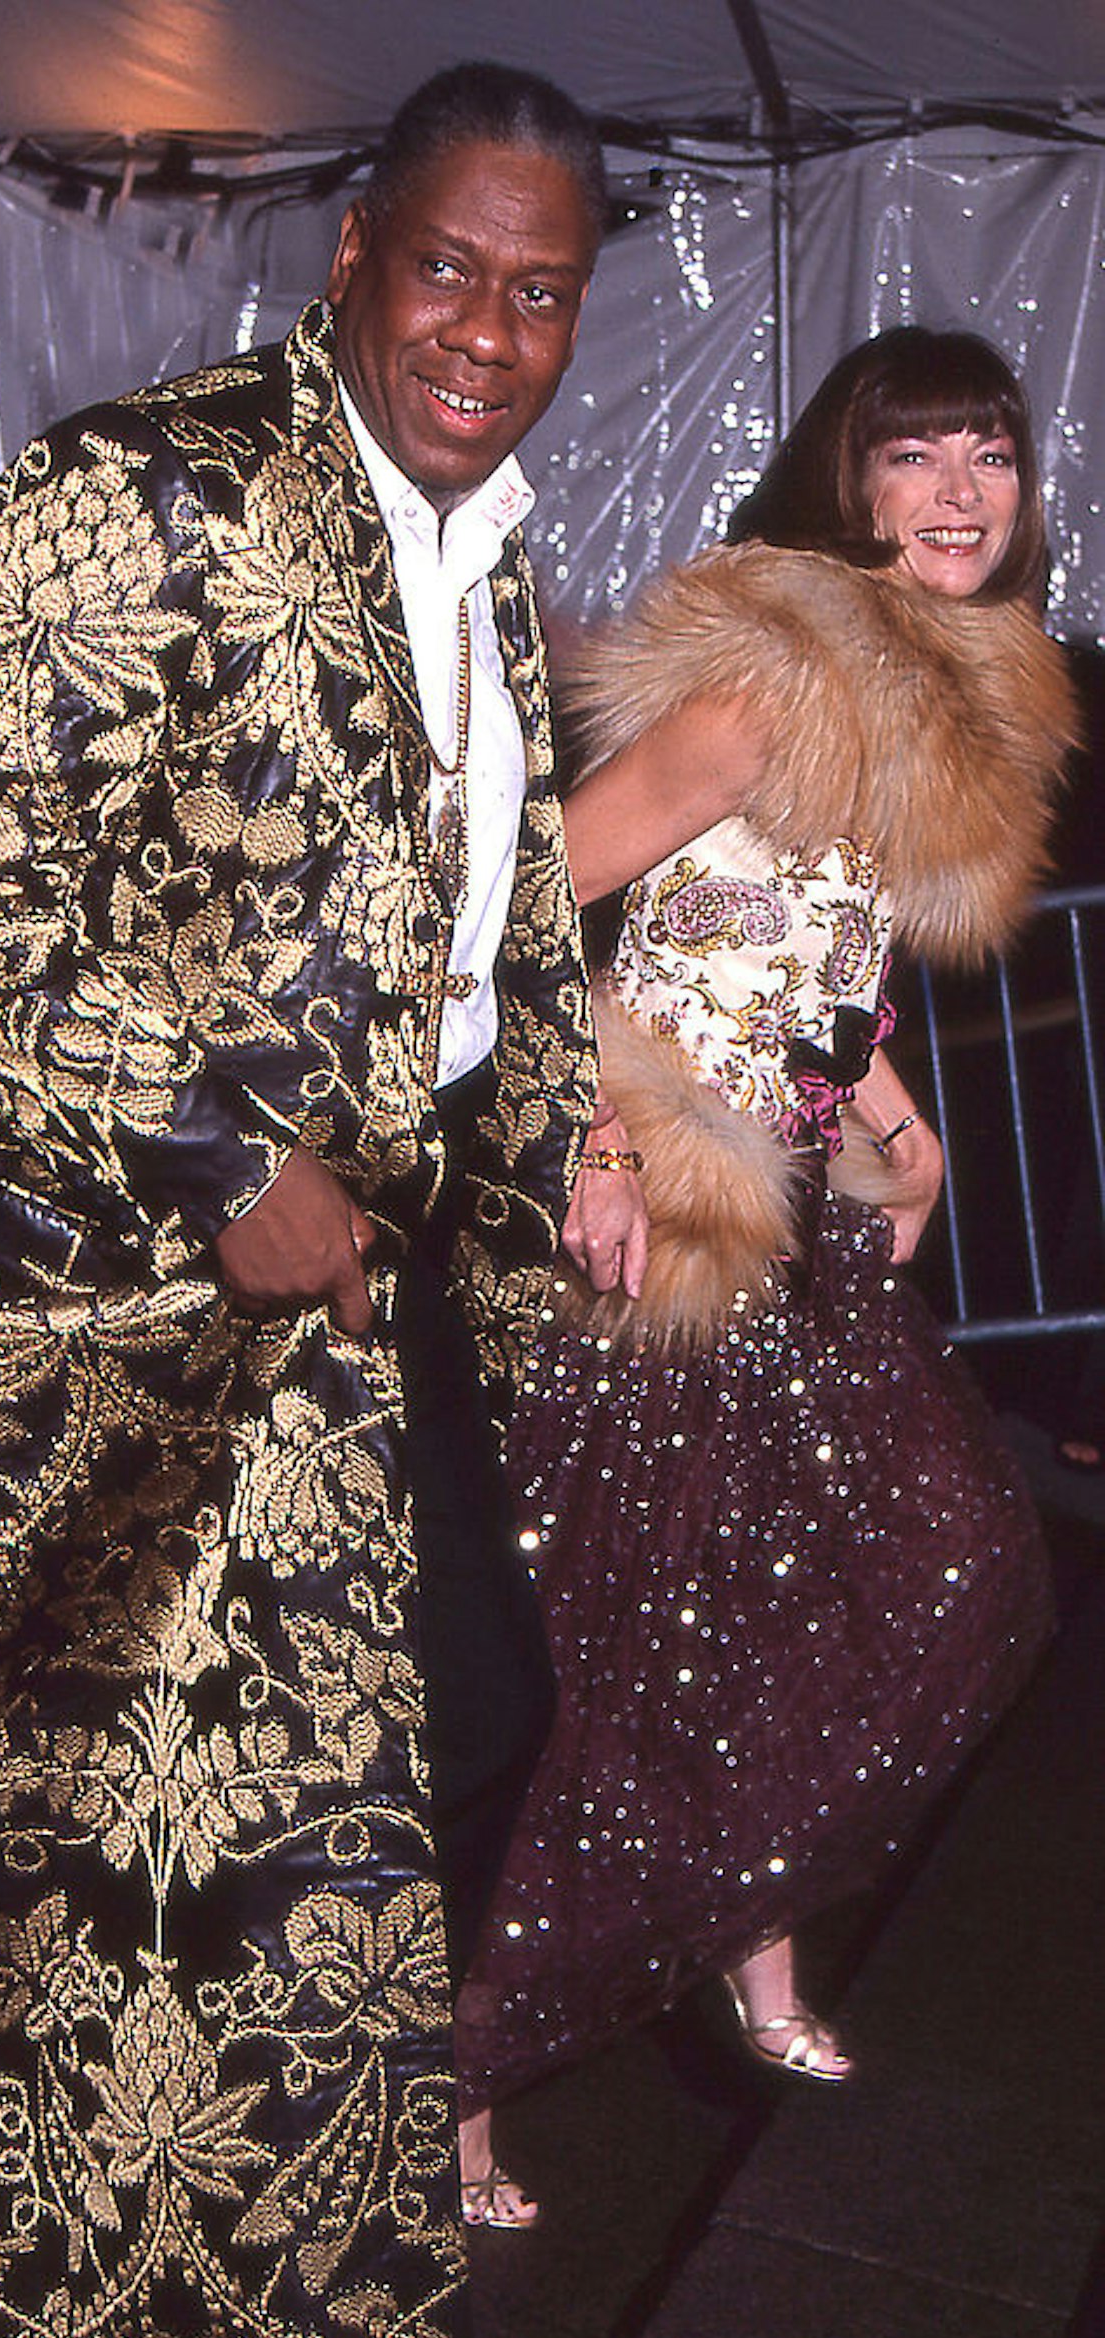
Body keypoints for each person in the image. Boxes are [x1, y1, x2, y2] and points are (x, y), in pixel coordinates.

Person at [0, 65, 606, 2338]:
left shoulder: (495, 567)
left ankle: (189, 2269)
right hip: (71, 1313)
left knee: (410, 1750)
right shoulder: (148, 491)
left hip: (318, 1327)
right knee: (50, 1857)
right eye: (449, 270)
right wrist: (212, 1152)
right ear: (354, 257)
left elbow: (479, 939)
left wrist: (564, 1153)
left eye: (542, 293)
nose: (487, 331)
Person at [454, 327, 1080, 2224]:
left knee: (943, 1571)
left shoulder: (954, 695)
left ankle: (749, 1928)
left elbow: (804, 947)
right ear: (851, 485)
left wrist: (901, 1122)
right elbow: (542, 895)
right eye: (917, 457)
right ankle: (457, 2070)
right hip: (661, 1231)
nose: (960, 489)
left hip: (797, 1214)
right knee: (606, 1663)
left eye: (989, 450)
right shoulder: (774, 672)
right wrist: (592, 1136)